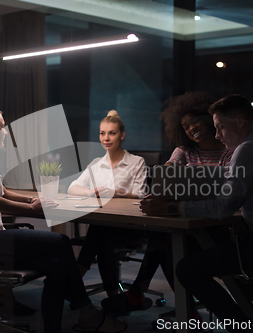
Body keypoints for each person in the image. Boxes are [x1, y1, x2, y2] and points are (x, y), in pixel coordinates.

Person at [0, 102, 127, 333]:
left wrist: (31, 200)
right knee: (61, 243)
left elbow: (2, 191)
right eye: (3, 126)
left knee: (55, 265)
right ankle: (86, 310)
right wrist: (33, 210)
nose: (7, 132)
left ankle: (57, 326)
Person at [140, 94, 253, 332]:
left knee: (187, 268)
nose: (217, 135)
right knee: (213, 244)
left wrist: (172, 207)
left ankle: (241, 326)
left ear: (240, 120)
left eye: (219, 127)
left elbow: (222, 207)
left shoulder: (247, 151)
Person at [101, 91, 232, 314]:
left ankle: (141, 294)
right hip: (185, 223)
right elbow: (168, 173)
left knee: (165, 245)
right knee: (166, 242)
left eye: (194, 122)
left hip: (216, 227)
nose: (191, 129)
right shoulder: (183, 151)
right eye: (185, 126)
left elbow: (226, 195)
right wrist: (165, 183)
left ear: (209, 119)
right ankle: (177, 309)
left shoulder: (229, 155)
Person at [67, 110, 147, 299]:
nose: (106, 138)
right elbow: (73, 187)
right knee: (102, 232)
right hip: (105, 225)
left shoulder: (136, 162)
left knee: (99, 231)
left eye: (111, 133)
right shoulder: (96, 163)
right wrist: (90, 192)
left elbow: (142, 196)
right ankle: (112, 293)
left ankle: (77, 275)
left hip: (131, 226)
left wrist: (119, 194)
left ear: (122, 135)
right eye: (102, 133)